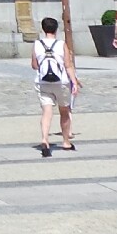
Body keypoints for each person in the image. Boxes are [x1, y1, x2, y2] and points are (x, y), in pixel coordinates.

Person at [31, 16, 76, 157]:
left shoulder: (37, 44)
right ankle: (66, 141)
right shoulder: (61, 44)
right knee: (64, 111)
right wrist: (74, 82)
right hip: (60, 82)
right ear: (56, 29)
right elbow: (68, 66)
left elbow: (34, 65)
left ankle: (45, 139)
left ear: (43, 29)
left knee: (46, 112)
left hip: (42, 82)